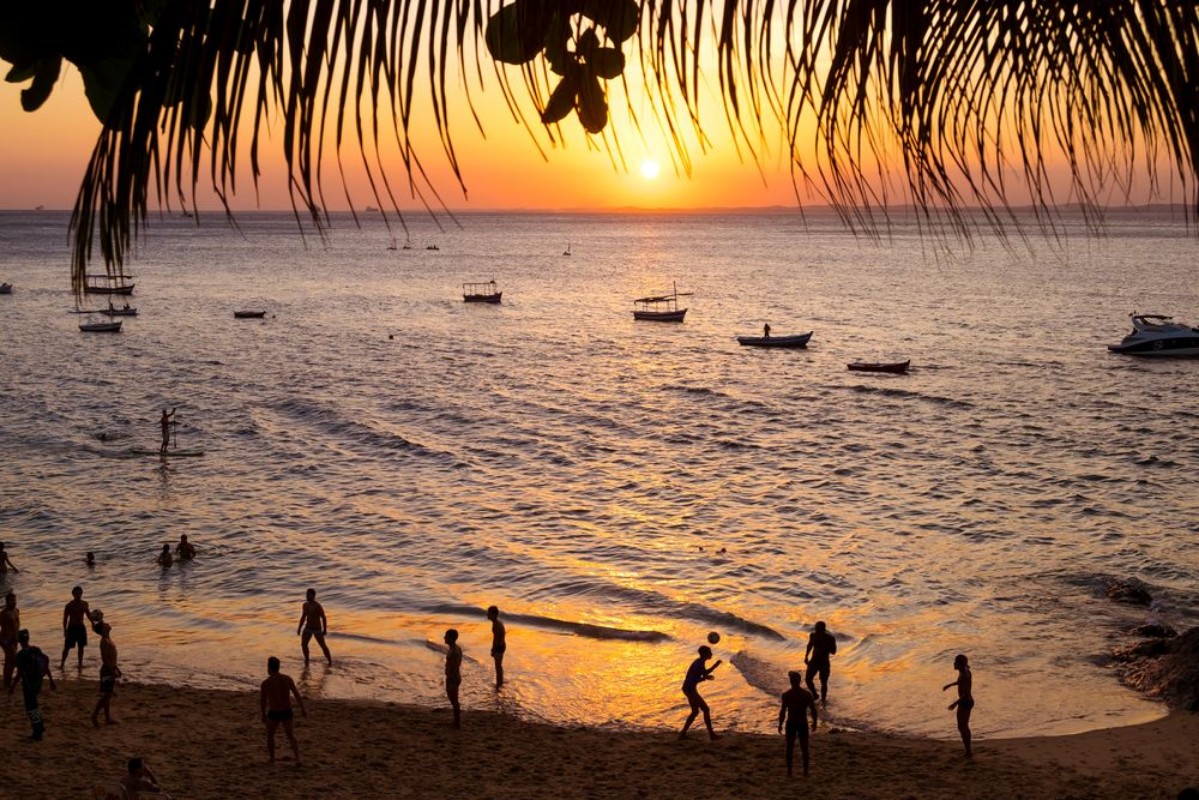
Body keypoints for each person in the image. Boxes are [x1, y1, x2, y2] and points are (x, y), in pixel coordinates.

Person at [9, 629, 55, 740]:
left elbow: (19, 673)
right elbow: (44, 665)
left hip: (28, 684)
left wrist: (13, 686)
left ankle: (37, 732)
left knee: (31, 707)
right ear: (28, 639)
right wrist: (51, 681)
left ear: (19, 641)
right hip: (37, 682)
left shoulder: (20, 655)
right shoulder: (35, 649)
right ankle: (40, 727)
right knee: (34, 705)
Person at [260, 656, 306, 764]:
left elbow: (263, 701)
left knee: (270, 735)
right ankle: (298, 758)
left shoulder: (266, 683)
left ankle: (272, 758)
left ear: (269, 668)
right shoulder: (287, 679)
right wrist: (302, 708)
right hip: (286, 711)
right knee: (290, 735)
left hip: (274, 712)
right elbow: (296, 694)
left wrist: (263, 714)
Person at [777, 670, 818, 777]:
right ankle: (805, 772)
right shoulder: (807, 694)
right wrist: (815, 722)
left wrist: (780, 724)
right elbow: (813, 710)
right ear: (800, 681)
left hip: (791, 723)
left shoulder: (786, 695)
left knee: (789, 748)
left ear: (791, 682)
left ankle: (789, 772)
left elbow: (783, 711)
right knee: (804, 748)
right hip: (802, 723)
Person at [678, 644, 721, 740]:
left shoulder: (699, 662)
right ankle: (711, 735)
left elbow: (701, 675)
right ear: (705, 654)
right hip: (689, 689)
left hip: (689, 688)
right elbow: (699, 676)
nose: (711, 654)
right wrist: (714, 667)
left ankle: (683, 734)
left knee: (695, 712)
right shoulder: (699, 663)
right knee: (705, 709)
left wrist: (705, 677)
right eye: (710, 652)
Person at [91, 613, 121, 726]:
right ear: (103, 630)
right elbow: (104, 659)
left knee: (108, 695)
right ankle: (94, 715)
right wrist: (112, 670)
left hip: (110, 668)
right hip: (107, 670)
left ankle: (107, 719)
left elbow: (111, 657)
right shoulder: (104, 641)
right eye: (105, 624)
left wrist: (116, 668)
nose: (108, 624)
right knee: (106, 695)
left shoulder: (108, 638)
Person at [942, 653, 974, 757]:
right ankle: (968, 750)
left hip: (965, 702)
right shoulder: (965, 671)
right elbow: (960, 682)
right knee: (964, 727)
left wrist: (955, 703)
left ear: (959, 664)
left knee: (962, 727)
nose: (953, 663)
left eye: (955, 662)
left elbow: (965, 693)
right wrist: (950, 685)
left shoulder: (964, 674)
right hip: (968, 701)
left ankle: (968, 751)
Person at [804, 620, 838, 704]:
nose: (816, 630)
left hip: (824, 663)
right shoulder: (813, 635)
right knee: (808, 679)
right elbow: (810, 645)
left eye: (818, 629)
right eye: (815, 628)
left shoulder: (830, 638)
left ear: (823, 629)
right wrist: (806, 656)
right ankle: (815, 695)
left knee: (823, 682)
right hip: (814, 661)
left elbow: (834, 652)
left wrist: (824, 646)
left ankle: (823, 700)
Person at [297, 588, 332, 665]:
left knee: (323, 645)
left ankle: (330, 661)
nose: (307, 597)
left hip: (317, 629)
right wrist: (299, 628)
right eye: (306, 595)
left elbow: (323, 617)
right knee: (304, 644)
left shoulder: (317, 606)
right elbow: (303, 617)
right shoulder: (305, 605)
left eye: (309, 595)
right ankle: (307, 660)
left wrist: (325, 630)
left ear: (313, 596)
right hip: (308, 628)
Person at [61, 585, 93, 669]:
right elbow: (65, 619)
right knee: (67, 648)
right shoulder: (69, 605)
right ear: (73, 594)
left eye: (79, 593)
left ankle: (80, 664)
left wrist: (93, 623)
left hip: (81, 628)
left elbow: (88, 615)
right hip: (71, 628)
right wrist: (64, 630)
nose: (78, 595)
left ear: (82, 594)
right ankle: (62, 664)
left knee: (81, 647)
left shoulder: (85, 604)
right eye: (76, 594)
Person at [1, 592, 20, 688]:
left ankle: (7, 681)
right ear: (7, 602)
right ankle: (6, 682)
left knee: (10, 660)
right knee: (12, 659)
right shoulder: (4, 613)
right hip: (6, 640)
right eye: (11, 600)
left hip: (15, 639)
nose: (14, 602)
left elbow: (17, 625)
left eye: (14, 600)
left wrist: (18, 637)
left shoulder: (16, 610)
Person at [444, 628, 462, 728]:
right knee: (452, 699)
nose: (444, 638)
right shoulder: (454, 648)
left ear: (450, 638)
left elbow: (455, 666)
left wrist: (451, 678)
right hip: (452, 677)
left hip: (453, 678)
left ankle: (457, 723)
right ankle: (456, 721)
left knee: (454, 700)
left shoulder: (455, 651)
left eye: (446, 636)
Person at [487, 605, 506, 689]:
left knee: (497, 667)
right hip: (502, 645)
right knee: (499, 666)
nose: (487, 615)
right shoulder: (498, 622)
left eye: (489, 614)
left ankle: (499, 684)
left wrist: (493, 650)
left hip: (499, 646)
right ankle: (500, 682)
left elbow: (496, 639)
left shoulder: (496, 625)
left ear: (494, 615)